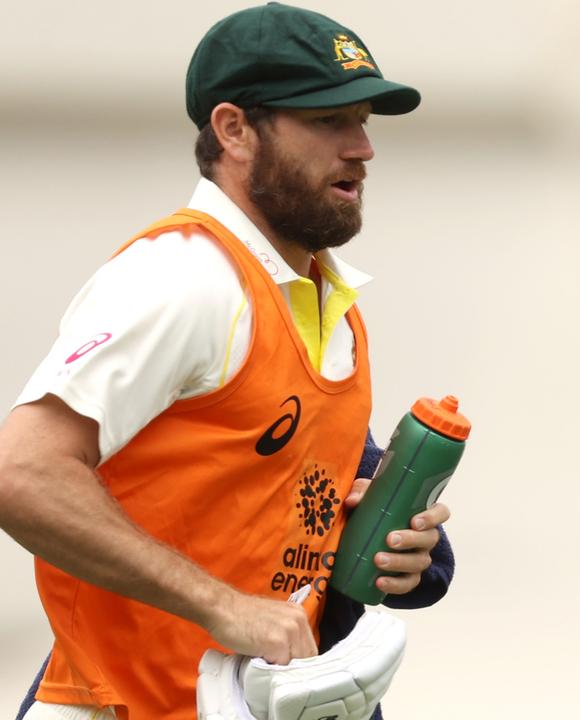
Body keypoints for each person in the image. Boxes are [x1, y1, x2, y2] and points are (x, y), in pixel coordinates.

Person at [0, 4, 451, 719]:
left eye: (363, 119)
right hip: (124, 703)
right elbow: (22, 474)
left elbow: (268, 504)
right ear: (234, 130)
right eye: (327, 120)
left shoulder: (327, 300)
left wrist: (395, 549)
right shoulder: (185, 277)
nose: (362, 147)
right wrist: (220, 605)